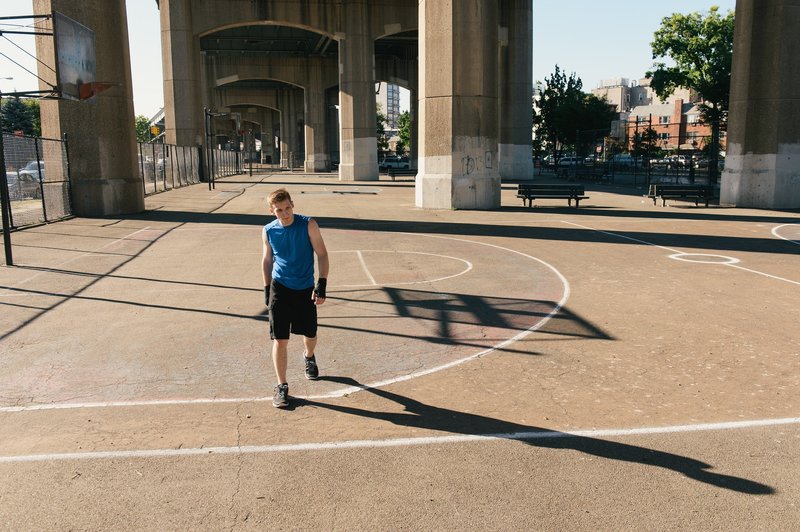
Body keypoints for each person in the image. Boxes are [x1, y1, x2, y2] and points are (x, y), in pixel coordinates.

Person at [262, 188, 329, 408]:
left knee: (310, 334)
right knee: (280, 339)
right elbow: (267, 260)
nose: (285, 213)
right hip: (280, 288)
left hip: (305, 288)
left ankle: (309, 356)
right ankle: (282, 386)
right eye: (279, 210)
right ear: (272, 211)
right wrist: (266, 288)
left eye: (288, 208)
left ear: (293, 204)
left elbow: (321, 253)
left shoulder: (308, 224)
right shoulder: (269, 231)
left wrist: (322, 283)